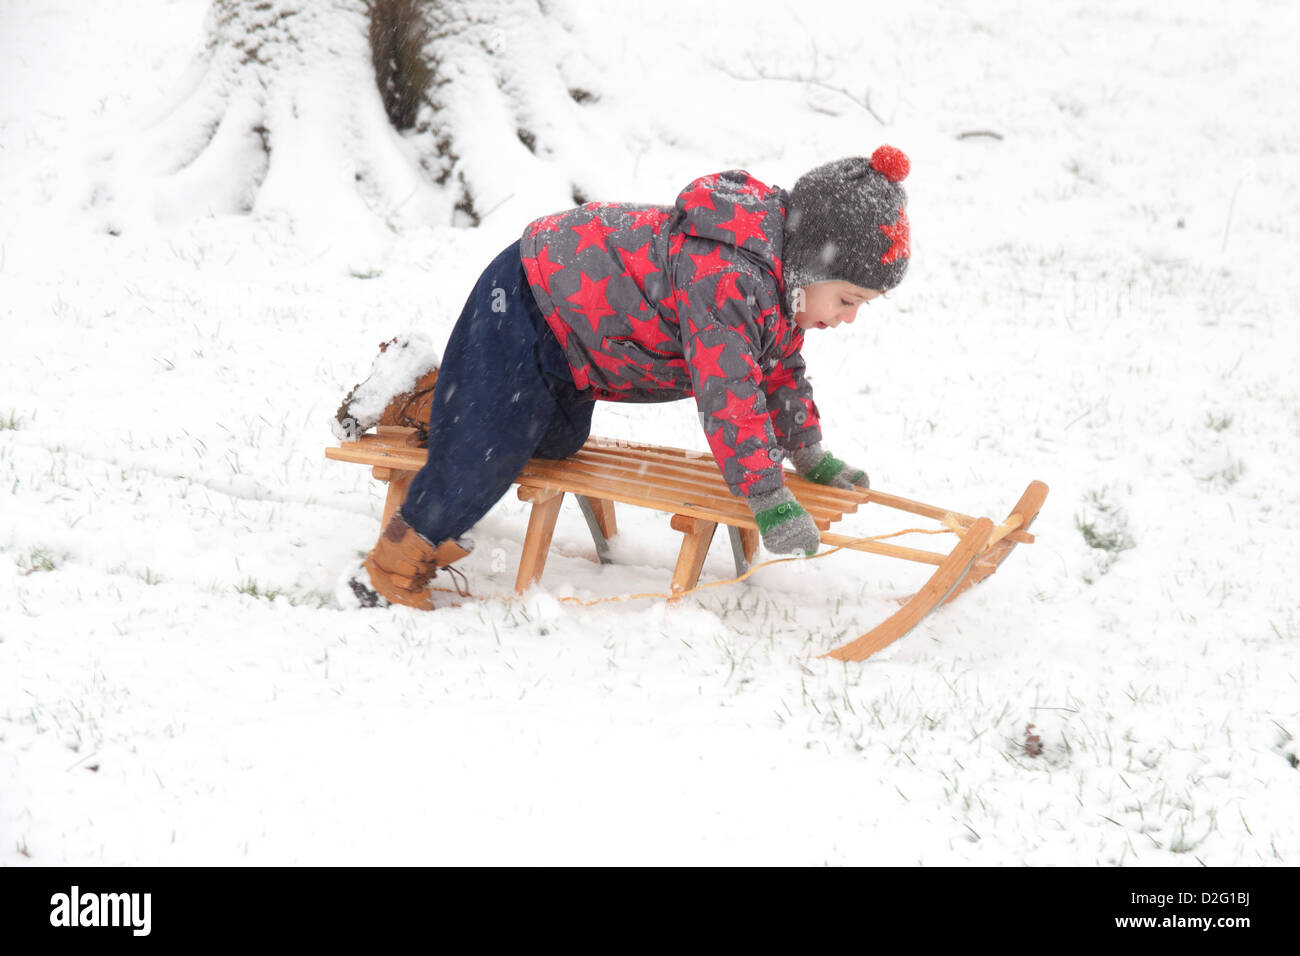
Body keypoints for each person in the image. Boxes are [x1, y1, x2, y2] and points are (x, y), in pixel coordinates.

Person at [348, 146, 912, 609]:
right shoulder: (728, 279)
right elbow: (730, 395)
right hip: (532, 293)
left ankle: (434, 398)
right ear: (813, 267)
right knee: (488, 447)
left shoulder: (780, 291)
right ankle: (393, 566)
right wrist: (768, 497)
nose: (849, 316)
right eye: (848, 299)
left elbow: (780, 372)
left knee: (556, 442)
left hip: (574, 340)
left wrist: (810, 455)